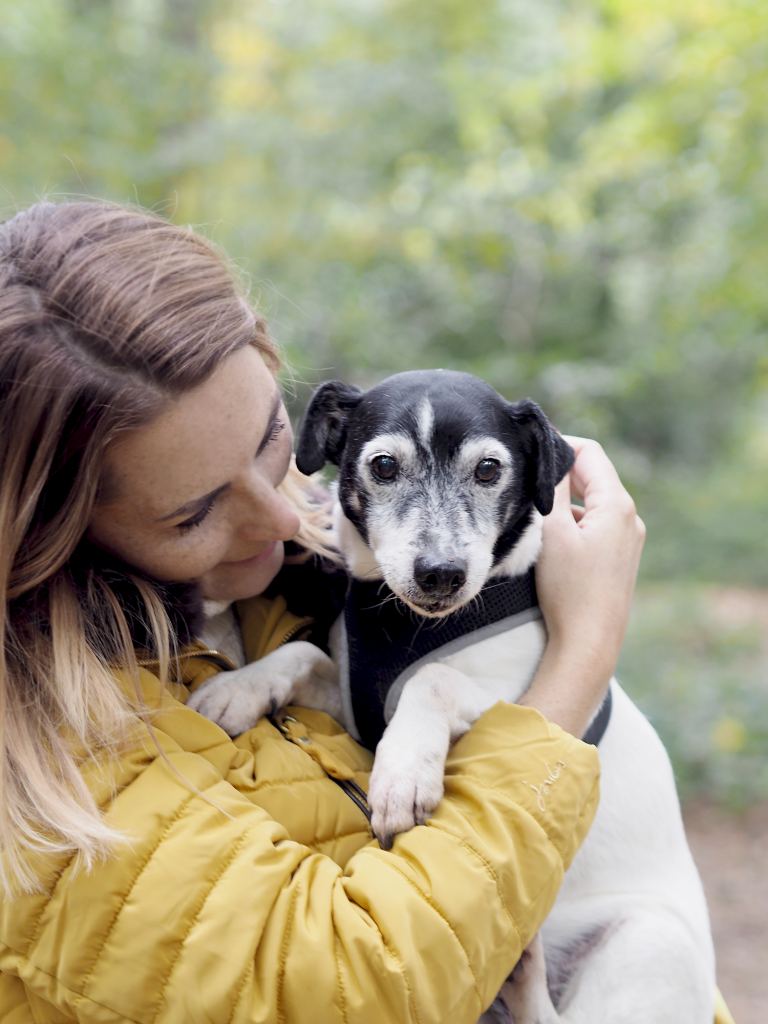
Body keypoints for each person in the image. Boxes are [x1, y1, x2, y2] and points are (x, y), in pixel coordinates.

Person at [0, 200, 724, 1024]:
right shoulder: (53, 782)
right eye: (194, 513)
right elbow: (361, 988)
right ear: (55, 538)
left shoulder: (307, 592)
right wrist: (585, 649)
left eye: (270, 438)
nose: (283, 517)